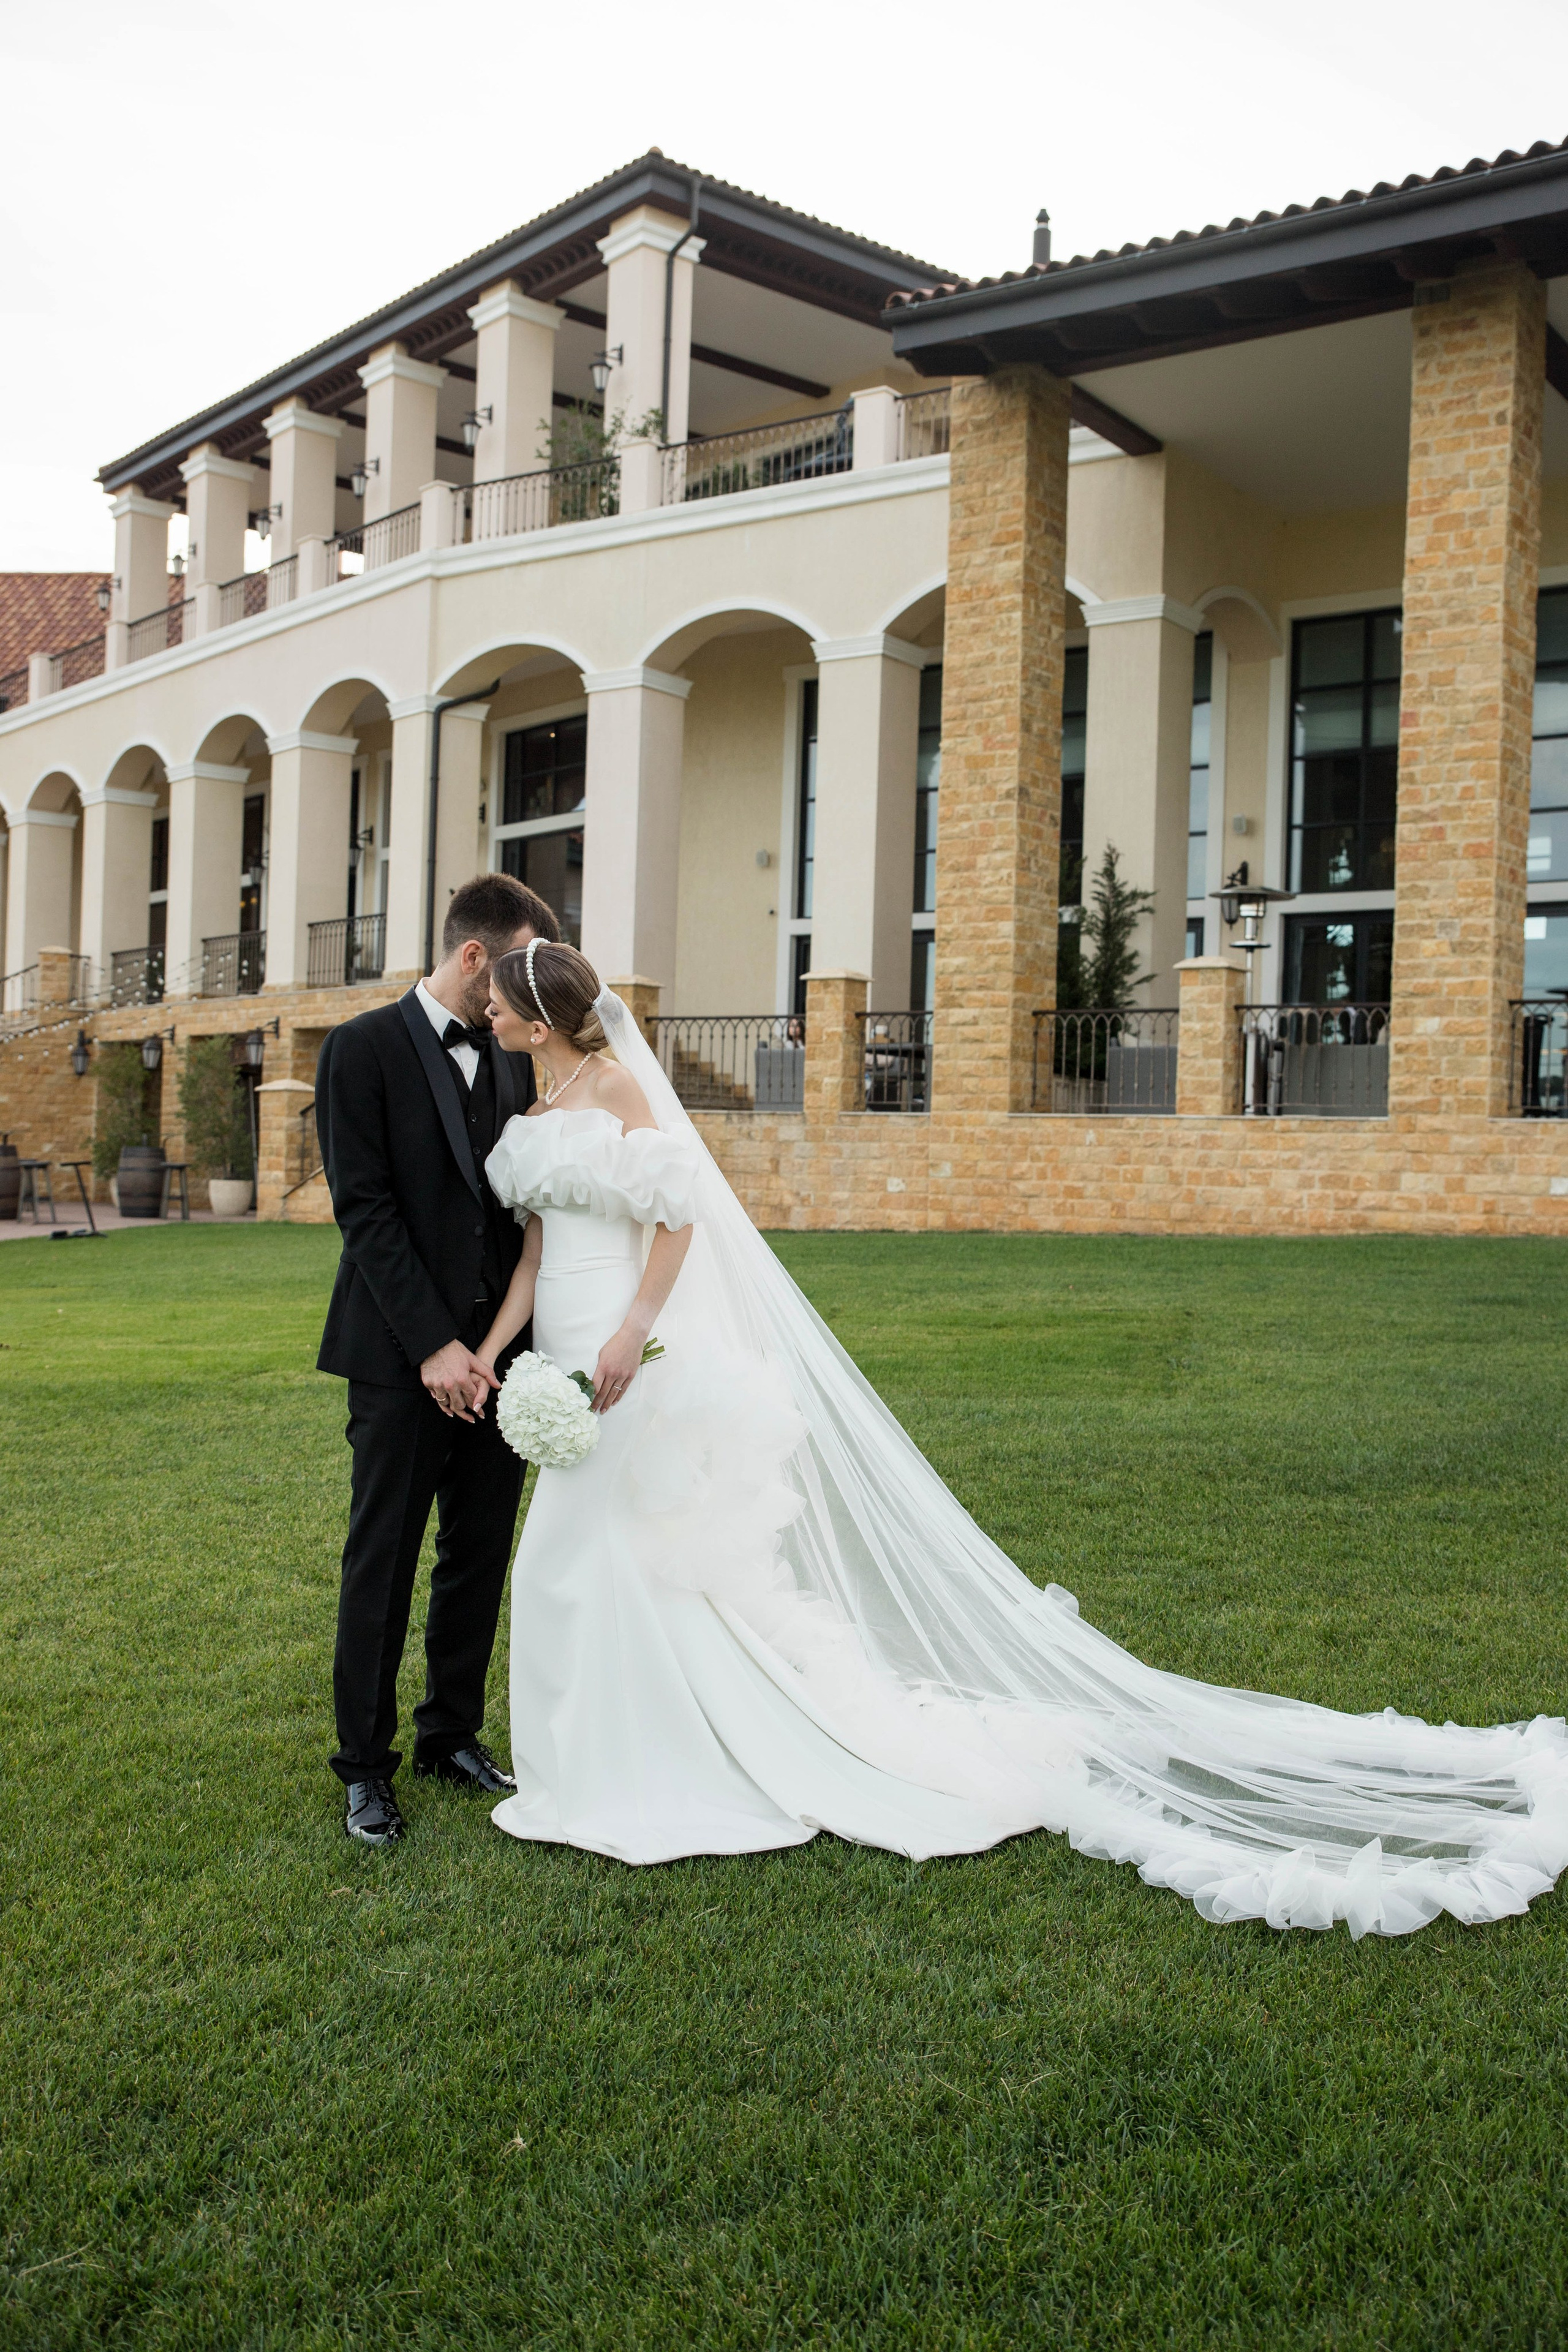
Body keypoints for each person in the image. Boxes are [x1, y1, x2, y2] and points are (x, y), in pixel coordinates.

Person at [472, 941, 1568, 1937]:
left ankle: (664, 1754)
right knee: (578, 1555)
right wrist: (490, 1352)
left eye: (500, 1002)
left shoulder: (618, 1088)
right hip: (555, 1354)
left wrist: (632, 1330)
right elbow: (533, 1256)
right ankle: (594, 1759)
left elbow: (676, 1219)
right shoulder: (537, 1096)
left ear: (540, 1015)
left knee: (607, 1547)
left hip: (626, 1351)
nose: (488, 1011)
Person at [314, 872, 559, 1847]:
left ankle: (448, 1735)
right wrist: (433, 1346)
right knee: (383, 1557)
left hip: (498, 1365)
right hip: (398, 1358)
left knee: (477, 1554)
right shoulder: (361, 1048)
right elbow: (365, 1210)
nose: (522, 994)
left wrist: (495, 1351)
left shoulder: (512, 1056)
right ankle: (364, 1770)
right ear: (472, 956)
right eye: (515, 970)